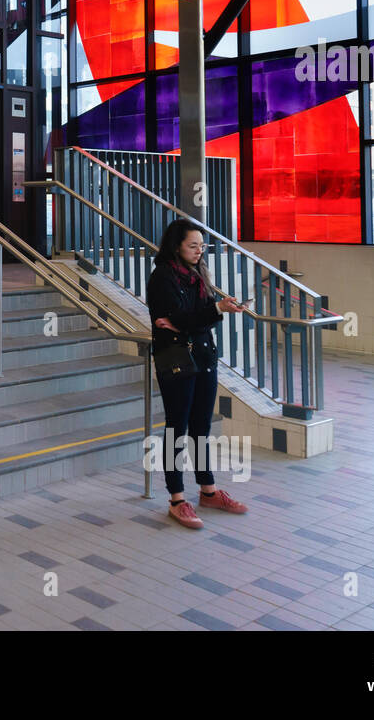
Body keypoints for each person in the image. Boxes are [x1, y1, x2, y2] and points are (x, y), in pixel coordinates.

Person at [147, 219, 248, 530]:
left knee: (201, 427)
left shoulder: (197, 275)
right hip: (176, 360)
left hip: (203, 357)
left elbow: (192, 320)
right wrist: (209, 312)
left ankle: (208, 490)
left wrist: (212, 312)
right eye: (193, 246)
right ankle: (177, 499)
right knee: (177, 427)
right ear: (176, 245)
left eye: (202, 246)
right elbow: (176, 318)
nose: (199, 251)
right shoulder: (162, 277)